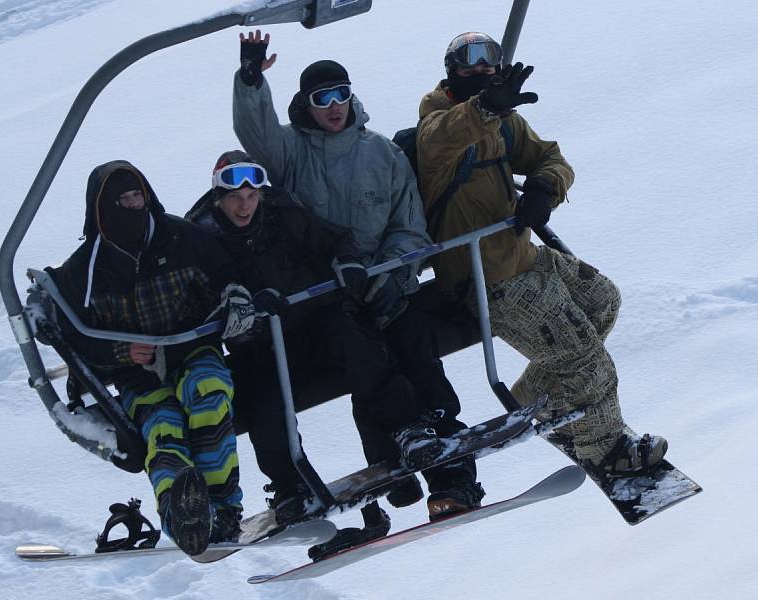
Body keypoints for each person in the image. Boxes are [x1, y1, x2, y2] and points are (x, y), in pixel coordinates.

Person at [232, 30, 486, 521]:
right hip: (326, 298)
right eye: (322, 98)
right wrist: (250, 82)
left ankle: (450, 474)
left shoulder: (381, 154)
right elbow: (256, 134)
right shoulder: (290, 152)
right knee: (364, 358)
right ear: (305, 104)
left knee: (417, 352)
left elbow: (408, 225)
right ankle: (395, 464)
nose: (333, 106)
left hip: (385, 285)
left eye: (341, 95)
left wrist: (393, 272)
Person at [415, 32, 668, 473]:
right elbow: (444, 136)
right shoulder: (435, 125)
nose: (480, 72)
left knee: (603, 301)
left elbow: (551, 156)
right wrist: (485, 108)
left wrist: (543, 188)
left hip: (525, 258)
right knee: (583, 356)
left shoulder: (504, 121)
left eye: (487, 64)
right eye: (469, 66)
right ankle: (604, 450)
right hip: (485, 277)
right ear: (451, 72)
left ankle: (536, 399)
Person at [186, 150, 446, 555]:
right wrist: (241, 306)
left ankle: (407, 427)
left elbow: (333, 237)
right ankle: (289, 485)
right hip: (259, 343)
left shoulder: (282, 211)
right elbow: (199, 292)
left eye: (252, 196)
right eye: (235, 197)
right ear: (218, 196)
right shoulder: (201, 236)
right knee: (261, 396)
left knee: (357, 344)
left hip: (312, 321)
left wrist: (345, 260)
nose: (244, 205)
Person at [46, 161, 257, 555]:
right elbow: (72, 337)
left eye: (137, 196)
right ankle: (184, 515)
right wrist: (121, 351)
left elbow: (225, 272)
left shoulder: (177, 236)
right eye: (122, 200)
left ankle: (223, 508)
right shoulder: (87, 268)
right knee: (162, 427)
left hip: (192, 348)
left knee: (208, 393)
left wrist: (235, 298)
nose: (133, 206)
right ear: (102, 208)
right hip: (137, 372)